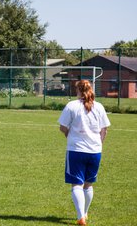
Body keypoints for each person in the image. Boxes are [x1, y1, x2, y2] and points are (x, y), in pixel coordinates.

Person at [58, 80, 111, 225]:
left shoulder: (72, 105)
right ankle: (85, 213)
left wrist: (69, 135)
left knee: (76, 184)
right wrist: (99, 144)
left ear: (78, 90)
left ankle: (81, 216)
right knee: (88, 185)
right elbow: (104, 129)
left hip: (76, 150)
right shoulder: (99, 106)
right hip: (95, 151)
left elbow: (62, 127)